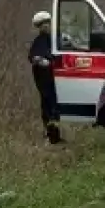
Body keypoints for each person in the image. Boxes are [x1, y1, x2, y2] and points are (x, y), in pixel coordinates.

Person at [29, 10, 62, 145]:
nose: (46, 26)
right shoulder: (38, 41)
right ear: (40, 27)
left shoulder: (55, 38)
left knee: (55, 106)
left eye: (48, 23)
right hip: (44, 80)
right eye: (43, 24)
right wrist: (40, 60)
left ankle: (55, 136)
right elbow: (32, 57)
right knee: (47, 105)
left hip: (56, 78)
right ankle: (50, 136)